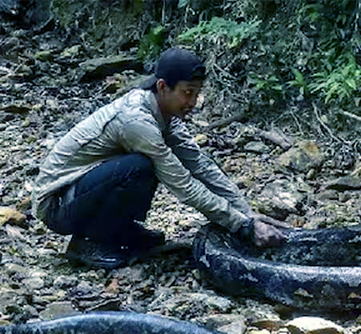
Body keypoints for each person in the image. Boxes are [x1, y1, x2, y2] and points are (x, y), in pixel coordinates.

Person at [32, 47, 285, 268]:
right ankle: (88, 242)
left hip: (81, 192)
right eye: (187, 93)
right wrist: (241, 226)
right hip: (57, 204)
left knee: (142, 166)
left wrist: (246, 212)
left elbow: (199, 164)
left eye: (197, 93)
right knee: (139, 167)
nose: (194, 102)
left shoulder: (166, 115)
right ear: (163, 87)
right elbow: (182, 184)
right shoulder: (136, 121)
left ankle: (119, 231)